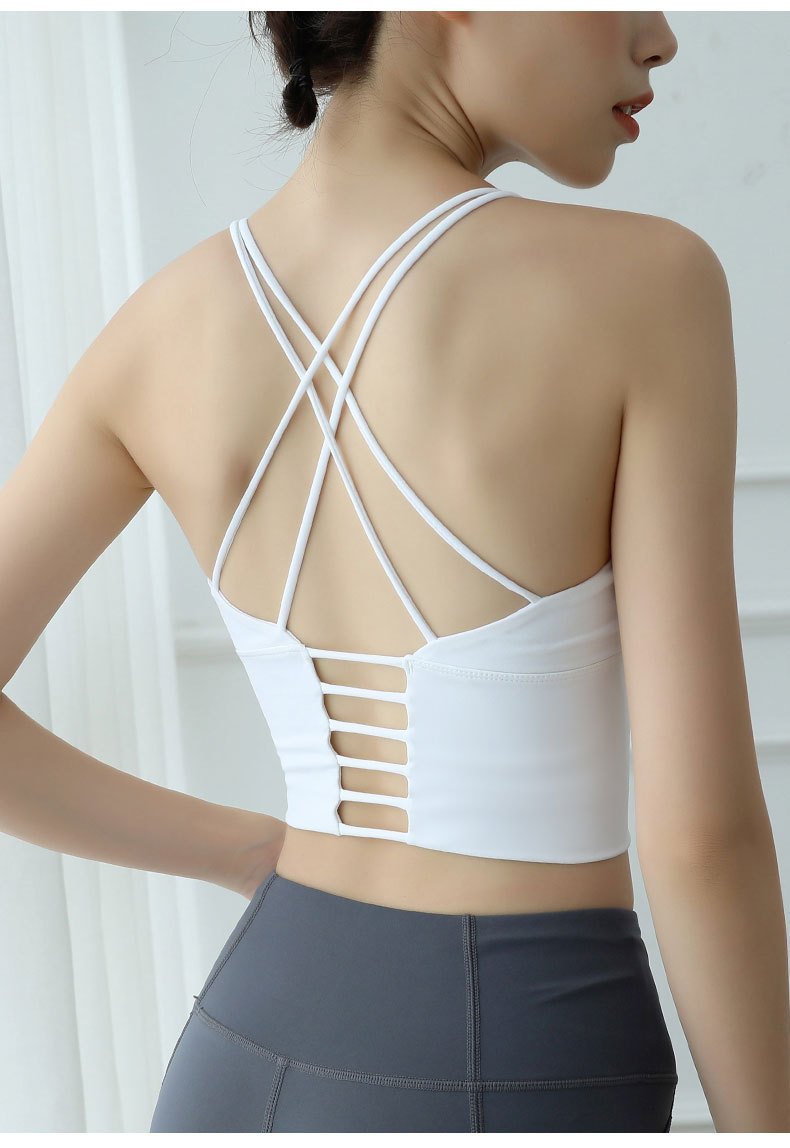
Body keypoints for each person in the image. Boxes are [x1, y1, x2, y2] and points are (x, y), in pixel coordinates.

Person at [1, 10, 788, 1134]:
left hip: (242, 1041)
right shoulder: (646, 284)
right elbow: (700, 836)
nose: (659, 35)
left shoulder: (159, 325)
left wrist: (247, 851)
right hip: (517, 1048)